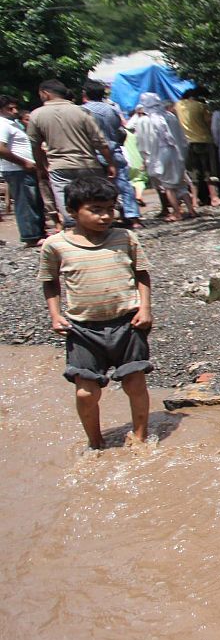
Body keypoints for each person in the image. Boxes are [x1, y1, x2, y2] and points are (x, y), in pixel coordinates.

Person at [40, 174, 153, 449]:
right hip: (82, 328)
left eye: (109, 209)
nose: (104, 217)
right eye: (95, 210)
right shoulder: (55, 245)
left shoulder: (125, 237)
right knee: (85, 393)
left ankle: (139, 437)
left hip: (127, 322)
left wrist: (145, 308)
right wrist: (55, 315)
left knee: (135, 384)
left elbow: (142, 274)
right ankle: (96, 442)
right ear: (72, 211)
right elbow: (50, 282)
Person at [28, 79, 114, 227]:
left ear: (45, 94)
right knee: (94, 199)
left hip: (59, 166)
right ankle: (100, 229)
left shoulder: (36, 115)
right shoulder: (81, 111)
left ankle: (75, 232)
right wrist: (111, 163)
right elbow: (99, 141)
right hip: (88, 163)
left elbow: (35, 145)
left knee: (66, 200)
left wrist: (41, 167)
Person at [81, 80, 142, 228]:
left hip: (92, 154)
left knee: (96, 188)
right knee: (124, 186)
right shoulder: (112, 109)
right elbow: (120, 131)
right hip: (114, 150)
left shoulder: (81, 111)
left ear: (85, 94)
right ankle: (132, 217)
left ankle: (101, 217)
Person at [0, 94, 48, 246]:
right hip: (17, 169)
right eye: (10, 108)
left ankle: (37, 232)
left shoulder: (12, 124)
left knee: (33, 200)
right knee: (25, 201)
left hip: (23, 168)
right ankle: (31, 236)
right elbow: (1, 148)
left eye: (15, 108)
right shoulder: (2, 125)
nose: (14, 111)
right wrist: (23, 162)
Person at [129, 94, 186, 222]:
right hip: (176, 153)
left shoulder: (146, 120)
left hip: (157, 155)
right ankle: (190, 209)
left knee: (166, 186)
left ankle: (175, 211)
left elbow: (142, 142)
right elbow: (179, 136)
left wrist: (145, 158)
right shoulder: (169, 116)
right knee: (181, 183)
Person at [175, 89, 220, 206]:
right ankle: (214, 198)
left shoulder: (178, 105)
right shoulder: (202, 106)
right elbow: (209, 122)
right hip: (205, 140)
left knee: (193, 172)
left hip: (188, 143)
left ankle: (195, 200)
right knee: (209, 171)